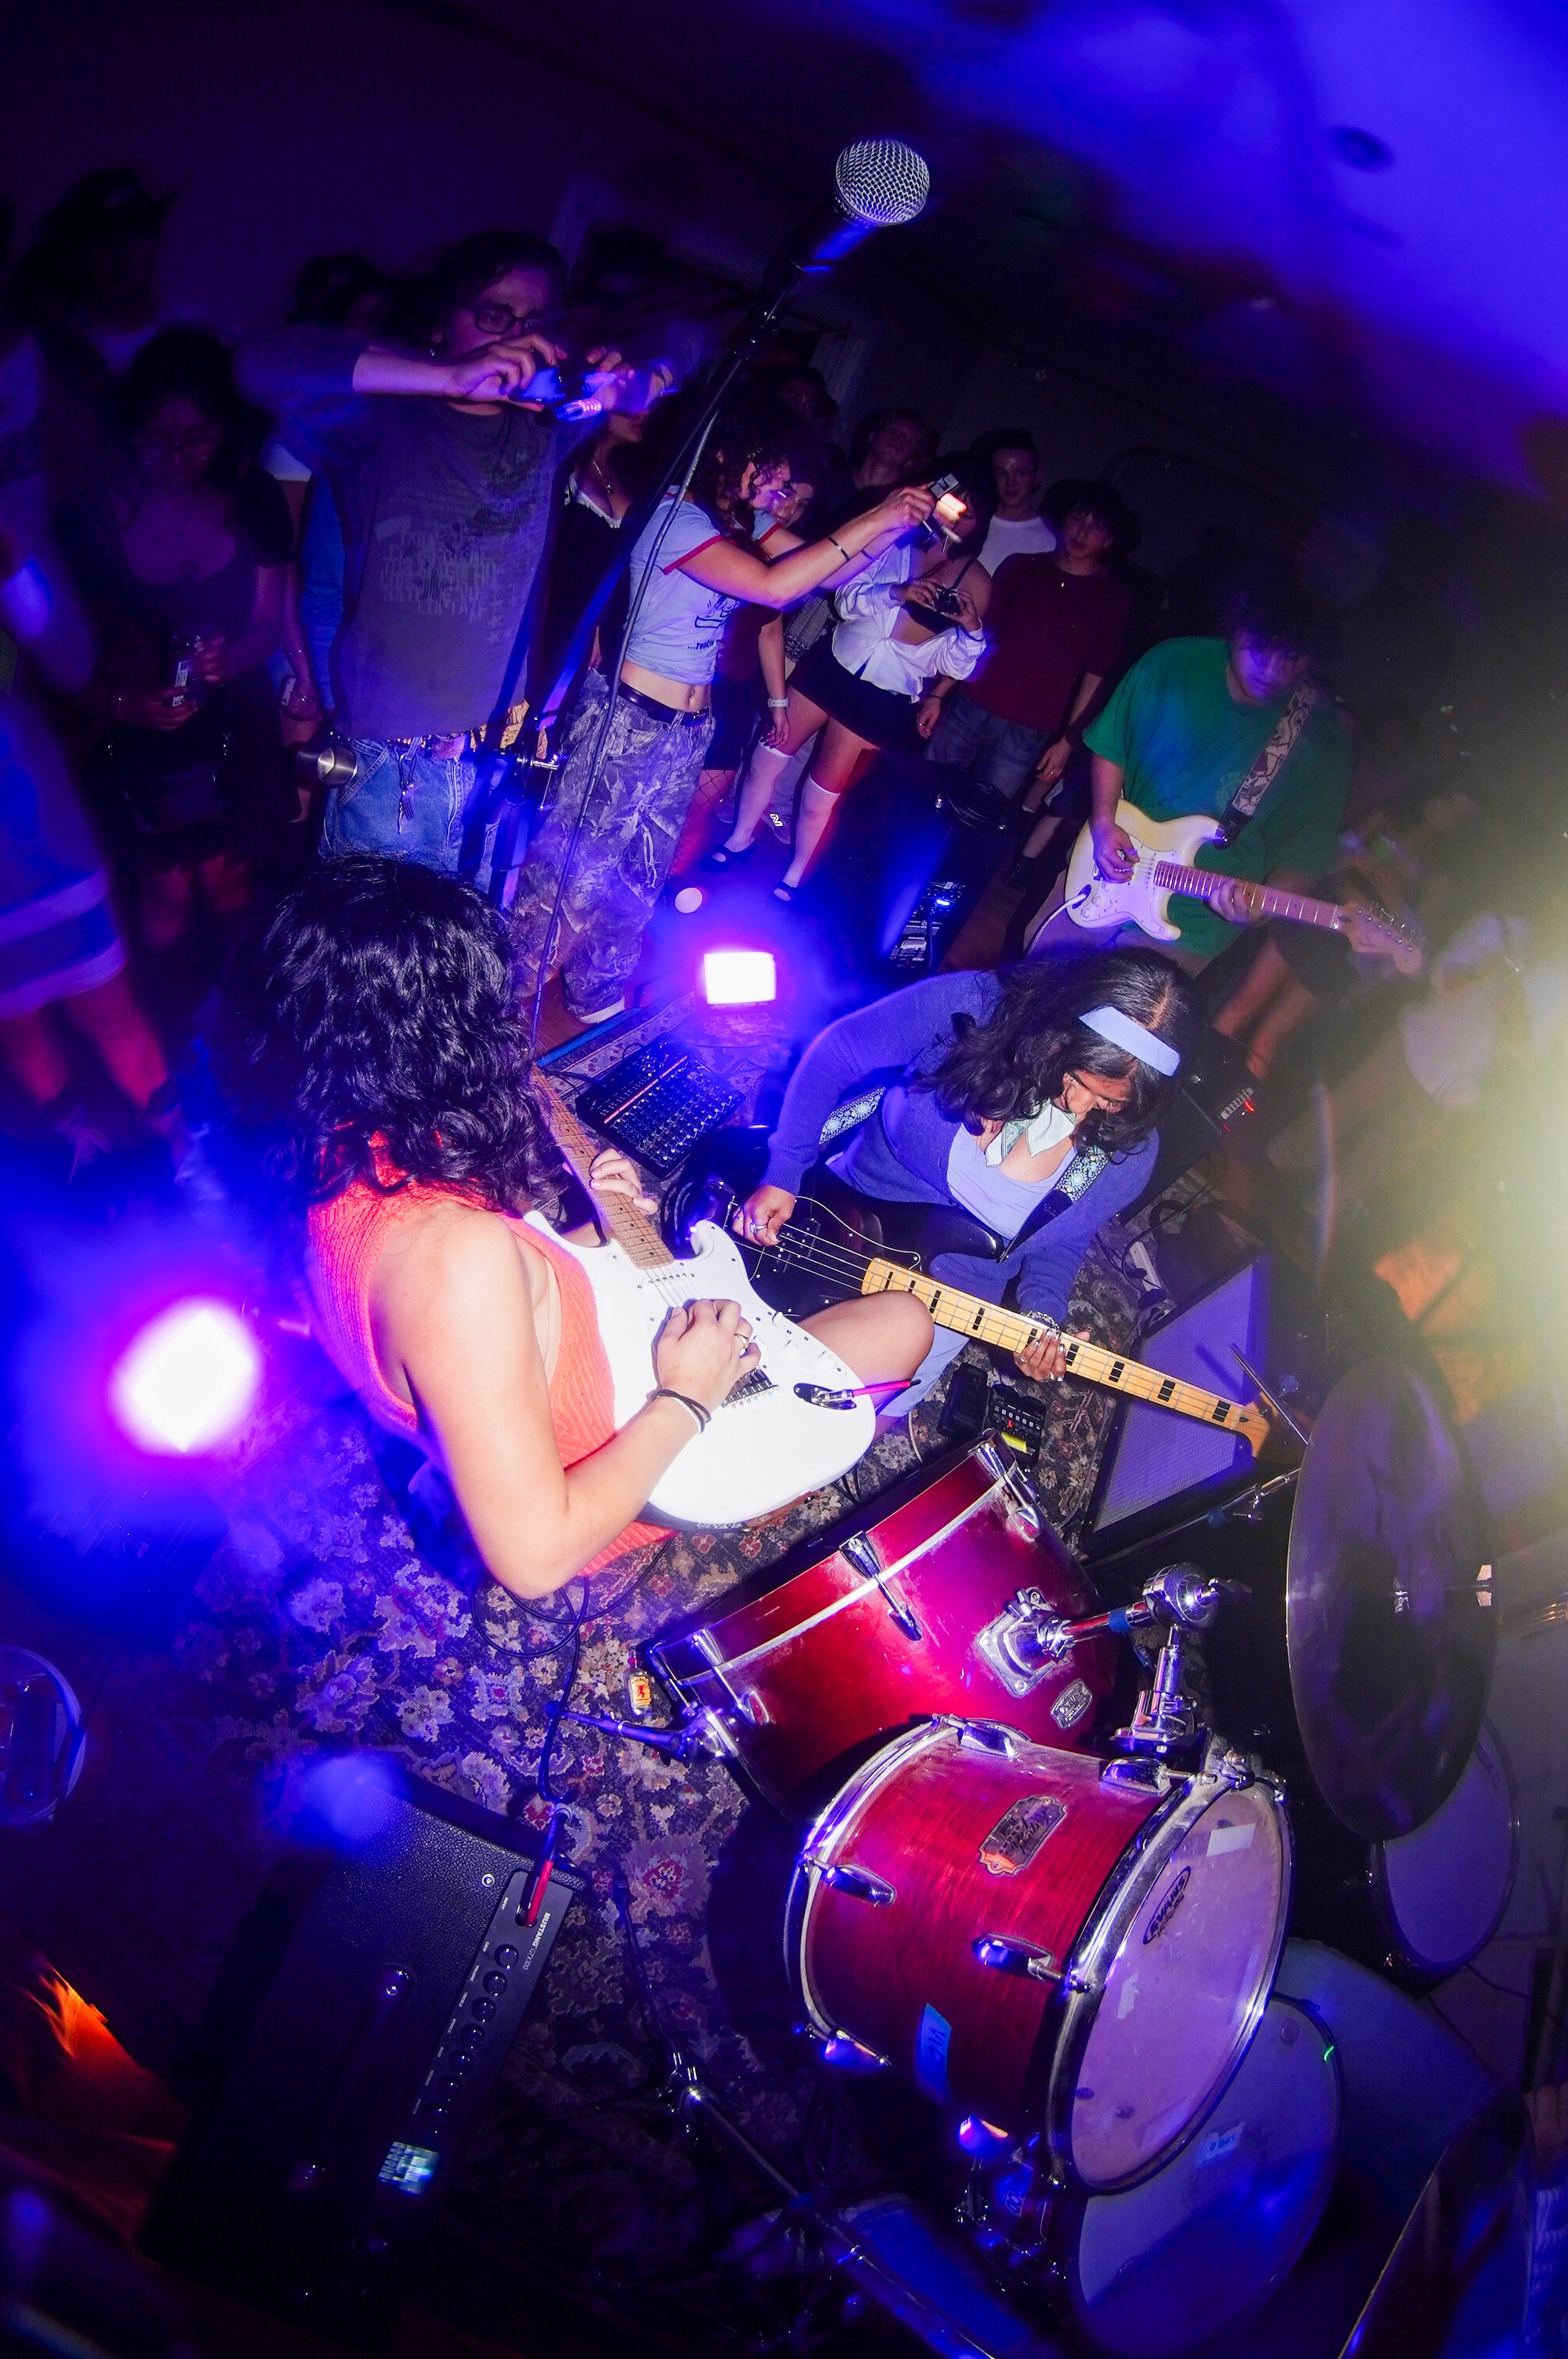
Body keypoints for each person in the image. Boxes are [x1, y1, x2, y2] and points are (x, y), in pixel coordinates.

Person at [211, 857, 931, 1595]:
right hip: (615, 1463)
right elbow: (536, 1560)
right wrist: (687, 1397)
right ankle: (750, 1496)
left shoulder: (322, 1152)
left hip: (529, 1399)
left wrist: (595, 1240)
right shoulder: (451, 1258)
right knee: (906, 1324)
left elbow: (480, 1315)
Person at [235, 231, 666, 874]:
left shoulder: (547, 427)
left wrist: (637, 378)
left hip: (496, 754)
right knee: (374, 938)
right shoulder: (383, 420)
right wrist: (448, 377)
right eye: (494, 315)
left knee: (466, 935)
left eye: (535, 322)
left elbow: (685, 340)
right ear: (441, 322)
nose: (516, 338)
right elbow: (258, 364)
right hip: (391, 765)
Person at [509, 398, 929, 1023]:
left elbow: (829, 574)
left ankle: (595, 995)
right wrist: (876, 515)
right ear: (730, 456)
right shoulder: (675, 517)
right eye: (772, 469)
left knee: (640, 876)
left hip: (686, 731)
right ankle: (503, 993)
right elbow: (775, 588)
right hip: (626, 722)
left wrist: (893, 525)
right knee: (570, 871)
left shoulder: (742, 525)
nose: (780, 485)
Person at [741, 951, 1195, 1408]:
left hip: (948, 1303)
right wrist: (786, 1170)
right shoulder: (975, 1007)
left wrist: (1042, 1314)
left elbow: (1064, 1237)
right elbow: (840, 1052)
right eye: (1076, 1077)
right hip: (842, 1221)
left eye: (1109, 1102)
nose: (1077, 1106)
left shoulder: (1130, 1155)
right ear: (1059, 1028)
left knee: (829, 1429)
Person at [58, 330, 293, 951]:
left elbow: (267, 620)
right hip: (132, 741)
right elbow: (53, 658)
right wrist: (123, 703)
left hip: (233, 728)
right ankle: (168, 991)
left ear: (226, 432)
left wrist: (232, 657)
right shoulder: (90, 515)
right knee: (164, 893)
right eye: (156, 437)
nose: (176, 455)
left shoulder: (252, 497)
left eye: (197, 437)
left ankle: (234, 996)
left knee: (232, 885)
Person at [1023, 558, 1352, 972]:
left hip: (1190, 931)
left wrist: (1259, 911)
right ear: (1237, 627)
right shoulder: (1174, 663)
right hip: (1106, 872)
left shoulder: (1323, 740)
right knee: (1030, 985)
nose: (1272, 670)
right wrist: (1104, 820)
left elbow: (1304, 853)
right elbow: (1112, 742)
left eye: (1291, 659)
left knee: (1113, 1017)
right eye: (1260, 648)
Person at [0, 377, 173, 1163]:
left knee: (112, 1011)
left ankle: (191, 1164)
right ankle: (82, 1154)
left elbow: (72, 662)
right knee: (15, 1025)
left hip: (31, 821)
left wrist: (14, 571)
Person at [713, 478, 991, 900]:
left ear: (980, 523)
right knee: (768, 754)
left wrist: (971, 630)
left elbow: (956, 665)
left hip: (884, 694)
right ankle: (739, 839)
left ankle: (795, 877)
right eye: (953, 502)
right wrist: (896, 592)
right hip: (833, 664)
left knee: (821, 793)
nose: (955, 514)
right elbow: (844, 601)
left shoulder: (976, 578)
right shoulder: (895, 538)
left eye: (968, 512)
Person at [919, 478, 1133, 813]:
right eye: (1078, 518)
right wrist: (938, 695)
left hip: (1030, 727)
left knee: (983, 814)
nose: (1082, 532)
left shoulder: (1111, 598)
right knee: (924, 786)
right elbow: (978, 635)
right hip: (973, 701)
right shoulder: (1021, 567)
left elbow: (1095, 676)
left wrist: (1068, 742)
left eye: (1096, 527)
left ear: (1109, 540)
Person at [971, 429, 1057, 575]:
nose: (1010, 482)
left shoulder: (1049, 540)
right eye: (1001, 473)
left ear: (1036, 476)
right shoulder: (971, 522)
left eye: (1021, 473)